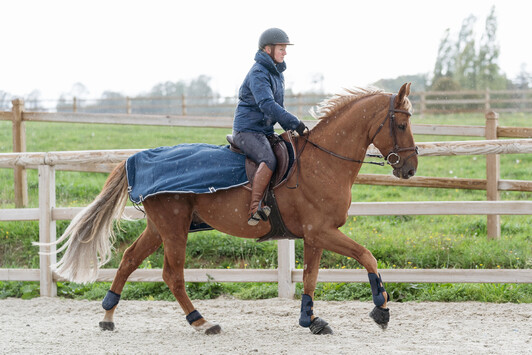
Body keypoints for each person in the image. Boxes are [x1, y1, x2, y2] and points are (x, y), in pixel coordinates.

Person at [233, 27, 306, 226]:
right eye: (281, 48)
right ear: (268, 49)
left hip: (264, 131)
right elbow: (266, 104)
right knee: (269, 159)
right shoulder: (258, 72)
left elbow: (277, 107)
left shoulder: (276, 73)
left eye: (285, 48)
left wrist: (291, 128)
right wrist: (294, 122)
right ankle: (254, 207)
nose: (285, 52)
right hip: (247, 131)